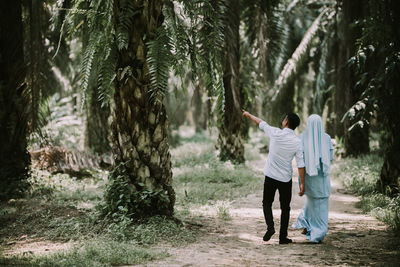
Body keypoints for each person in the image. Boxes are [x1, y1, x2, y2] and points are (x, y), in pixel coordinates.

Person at [242, 110, 305, 244]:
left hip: (270, 176)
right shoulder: (297, 142)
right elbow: (300, 164)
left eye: (284, 118)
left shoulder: (275, 133)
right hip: (285, 179)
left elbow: (260, 122)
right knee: (285, 208)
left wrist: (248, 115)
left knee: (267, 203)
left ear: (286, 122)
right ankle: (283, 237)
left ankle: (270, 228)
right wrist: (302, 183)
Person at [292, 114, 334, 243]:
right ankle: (318, 234)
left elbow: (300, 161)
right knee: (321, 207)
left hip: (309, 178)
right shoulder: (326, 138)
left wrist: (302, 182)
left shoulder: (302, 138)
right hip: (322, 178)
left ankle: (306, 223)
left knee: (312, 202)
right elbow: (331, 158)